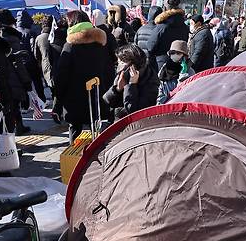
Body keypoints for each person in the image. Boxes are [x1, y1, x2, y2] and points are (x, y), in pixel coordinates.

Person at [55, 10, 112, 144]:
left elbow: (61, 76)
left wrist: (58, 99)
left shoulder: (70, 46)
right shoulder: (101, 43)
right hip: (98, 97)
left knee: (75, 134)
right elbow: (109, 71)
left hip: (75, 99)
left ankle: (77, 163)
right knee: (98, 135)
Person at [0, 9, 33, 134]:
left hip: (1, 77)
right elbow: (18, 62)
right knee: (13, 105)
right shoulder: (12, 38)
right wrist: (26, 80)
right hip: (13, 77)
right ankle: (12, 133)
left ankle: (18, 127)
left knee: (10, 106)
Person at [103, 44, 159, 119]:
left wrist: (131, 85)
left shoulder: (150, 80)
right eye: (118, 63)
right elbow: (107, 100)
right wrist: (117, 89)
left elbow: (133, 111)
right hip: (119, 121)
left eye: (122, 63)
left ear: (132, 65)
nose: (119, 66)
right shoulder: (123, 75)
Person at [145, 0, 189, 71]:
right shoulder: (185, 26)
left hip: (162, 64)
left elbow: (150, 46)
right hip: (179, 62)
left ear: (164, 8)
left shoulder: (162, 26)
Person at [16, 9, 46, 102]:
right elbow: (34, 48)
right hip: (32, 61)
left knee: (23, 84)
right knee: (37, 82)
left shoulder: (15, 32)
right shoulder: (31, 32)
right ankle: (42, 100)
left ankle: (25, 104)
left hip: (20, 61)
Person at [157, 40, 196, 104]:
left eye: (178, 53)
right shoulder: (164, 69)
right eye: (172, 53)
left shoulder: (190, 72)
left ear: (184, 56)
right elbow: (159, 89)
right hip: (164, 107)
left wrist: (183, 75)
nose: (174, 55)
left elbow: (185, 93)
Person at [134, 6, 163, 70]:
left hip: (141, 63)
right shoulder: (160, 30)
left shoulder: (140, 29)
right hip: (154, 64)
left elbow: (135, 46)